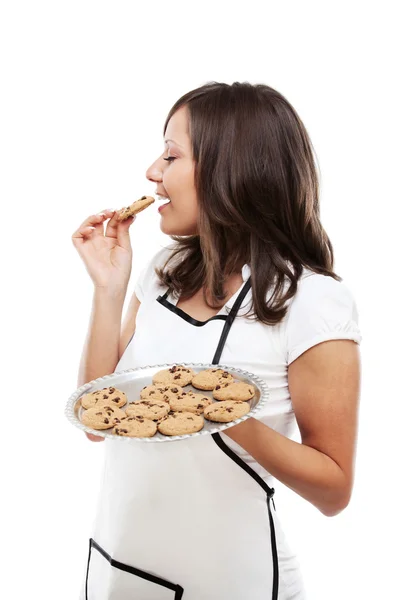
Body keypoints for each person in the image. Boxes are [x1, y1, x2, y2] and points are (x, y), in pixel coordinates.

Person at [72, 81, 361, 600]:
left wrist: (223, 416)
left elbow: (334, 489)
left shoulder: (313, 303)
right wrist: (108, 290)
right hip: (119, 570)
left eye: (170, 155)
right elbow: (98, 423)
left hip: (232, 583)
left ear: (232, 168)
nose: (152, 172)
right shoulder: (164, 270)